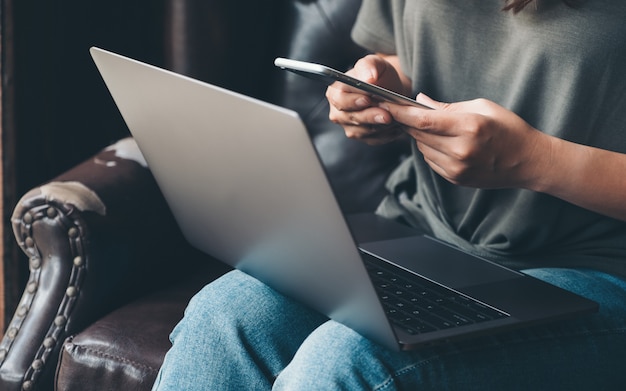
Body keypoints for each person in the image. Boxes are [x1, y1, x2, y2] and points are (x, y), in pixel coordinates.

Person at [152, 0, 626, 389]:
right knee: (225, 317)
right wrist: (383, 89)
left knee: (348, 361)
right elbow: (415, 54)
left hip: (596, 268)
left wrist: (538, 161)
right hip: (425, 233)